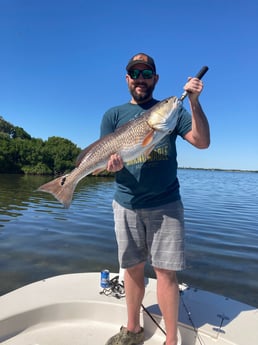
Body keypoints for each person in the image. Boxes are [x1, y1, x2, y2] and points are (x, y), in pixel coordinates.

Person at [101, 53, 210, 345]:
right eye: (135, 74)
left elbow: (201, 142)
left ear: (155, 79)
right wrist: (111, 165)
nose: (140, 78)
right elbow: (107, 157)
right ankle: (133, 329)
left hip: (166, 204)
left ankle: (171, 339)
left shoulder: (173, 112)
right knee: (133, 268)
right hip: (126, 202)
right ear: (127, 79)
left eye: (146, 73)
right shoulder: (113, 115)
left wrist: (195, 103)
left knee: (166, 273)